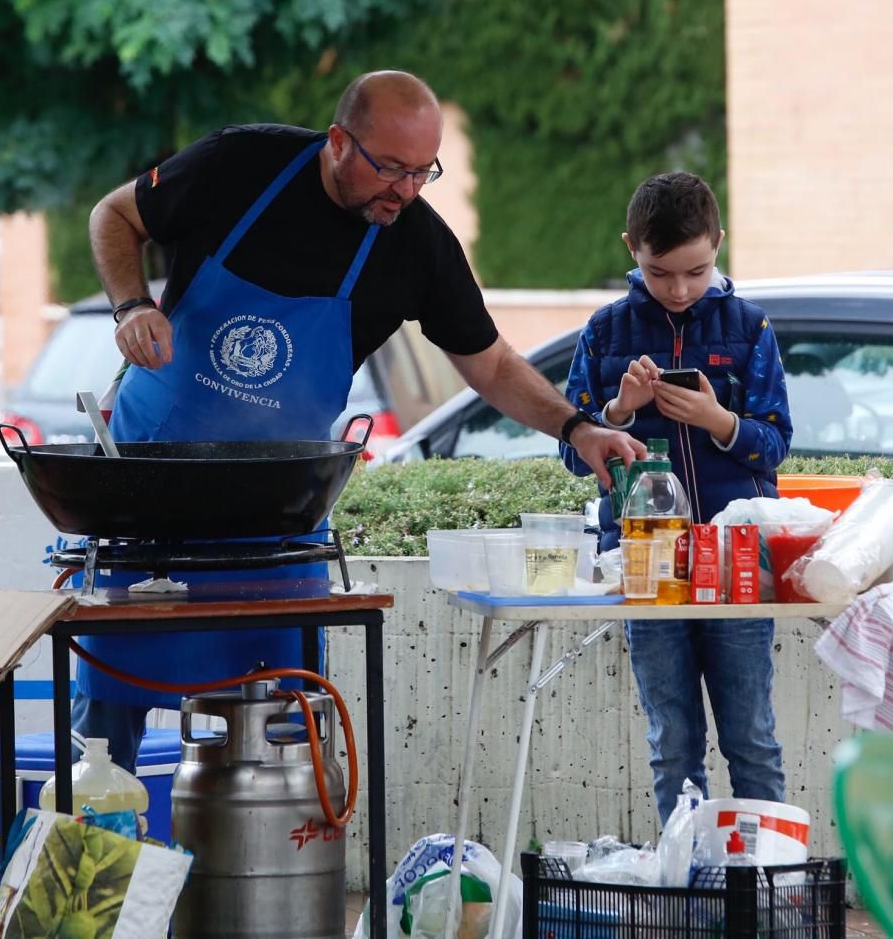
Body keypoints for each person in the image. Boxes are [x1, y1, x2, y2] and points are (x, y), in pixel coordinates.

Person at [81, 70, 643, 771]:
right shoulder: (238, 166)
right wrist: (132, 305)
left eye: (422, 173)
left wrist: (577, 427)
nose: (406, 191)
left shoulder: (417, 245)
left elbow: (491, 364)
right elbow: (115, 215)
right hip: (151, 483)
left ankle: (269, 873)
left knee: (284, 728)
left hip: (276, 511)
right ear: (340, 141)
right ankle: (96, 865)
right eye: (391, 170)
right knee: (108, 722)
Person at [560, 172, 793, 823]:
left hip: (736, 554)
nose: (681, 289)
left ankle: (765, 894)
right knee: (673, 745)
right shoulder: (606, 332)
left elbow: (776, 445)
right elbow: (571, 455)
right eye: (662, 273)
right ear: (631, 247)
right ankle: (683, 896)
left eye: (697, 270)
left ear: (719, 244)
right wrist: (617, 412)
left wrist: (719, 420)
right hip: (644, 559)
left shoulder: (749, 327)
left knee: (752, 737)